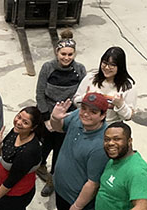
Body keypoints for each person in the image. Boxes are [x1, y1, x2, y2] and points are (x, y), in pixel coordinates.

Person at [48, 93, 110, 210]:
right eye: (84, 108)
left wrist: (78, 206)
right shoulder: (76, 117)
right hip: (62, 191)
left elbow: (93, 182)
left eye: (93, 111)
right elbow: (58, 128)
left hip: (79, 202)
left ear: (103, 115)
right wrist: (55, 118)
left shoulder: (100, 145)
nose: (86, 114)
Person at [35, 30, 86, 197]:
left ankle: (53, 180)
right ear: (57, 53)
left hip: (67, 118)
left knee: (60, 150)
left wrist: (71, 117)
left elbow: (81, 94)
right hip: (47, 114)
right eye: (63, 53)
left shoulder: (79, 70)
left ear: (74, 54)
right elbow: (40, 92)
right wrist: (46, 119)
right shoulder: (48, 68)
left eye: (70, 54)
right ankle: (40, 165)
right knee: (43, 145)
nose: (66, 57)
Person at [86, 122, 147, 210]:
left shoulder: (137, 171)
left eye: (117, 139)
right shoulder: (115, 159)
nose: (111, 143)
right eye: (107, 139)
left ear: (129, 141)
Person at [73, 46, 136, 123]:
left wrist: (120, 105)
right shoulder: (90, 78)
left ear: (120, 67)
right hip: (87, 125)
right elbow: (75, 102)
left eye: (112, 65)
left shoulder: (128, 87)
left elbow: (128, 116)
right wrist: (85, 97)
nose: (106, 67)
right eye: (104, 63)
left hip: (111, 128)